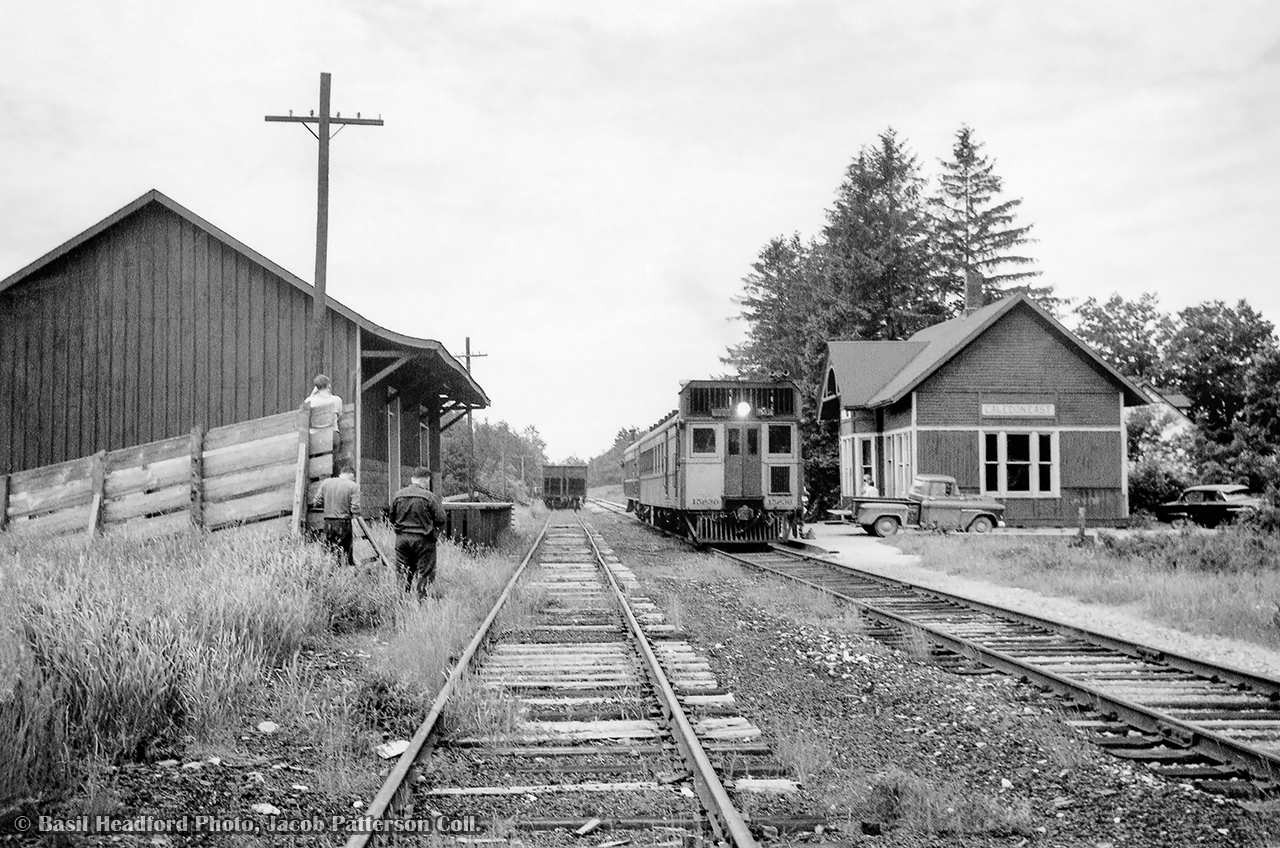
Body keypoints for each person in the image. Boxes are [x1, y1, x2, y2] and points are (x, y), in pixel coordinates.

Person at [390, 466, 447, 599]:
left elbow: (392, 518)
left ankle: (402, 602)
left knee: (403, 573)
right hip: (423, 540)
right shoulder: (429, 497)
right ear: (426, 480)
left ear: (412, 479)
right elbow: (441, 518)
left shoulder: (398, 495)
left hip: (402, 540)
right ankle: (422, 603)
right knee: (425, 574)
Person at [313, 465, 361, 565]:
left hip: (328, 522)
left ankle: (328, 571)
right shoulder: (353, 486)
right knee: (344, 551)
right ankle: (344, 571)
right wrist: (355, 516)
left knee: (328, 549)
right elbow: (355, 507)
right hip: (343, 522)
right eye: (354, 477)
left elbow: (316, 502)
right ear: (351, 475)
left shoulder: (326, 482)